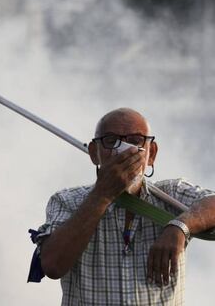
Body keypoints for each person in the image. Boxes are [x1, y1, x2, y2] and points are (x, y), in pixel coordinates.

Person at [31, 108, 215, 305]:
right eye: (111, 141)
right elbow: (53, 266)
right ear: (94, 153)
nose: (124, 150)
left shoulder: (172, 194)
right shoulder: (67, 201)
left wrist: (179, 227)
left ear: (151, 154)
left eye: (136, 140)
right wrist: (103, 194)